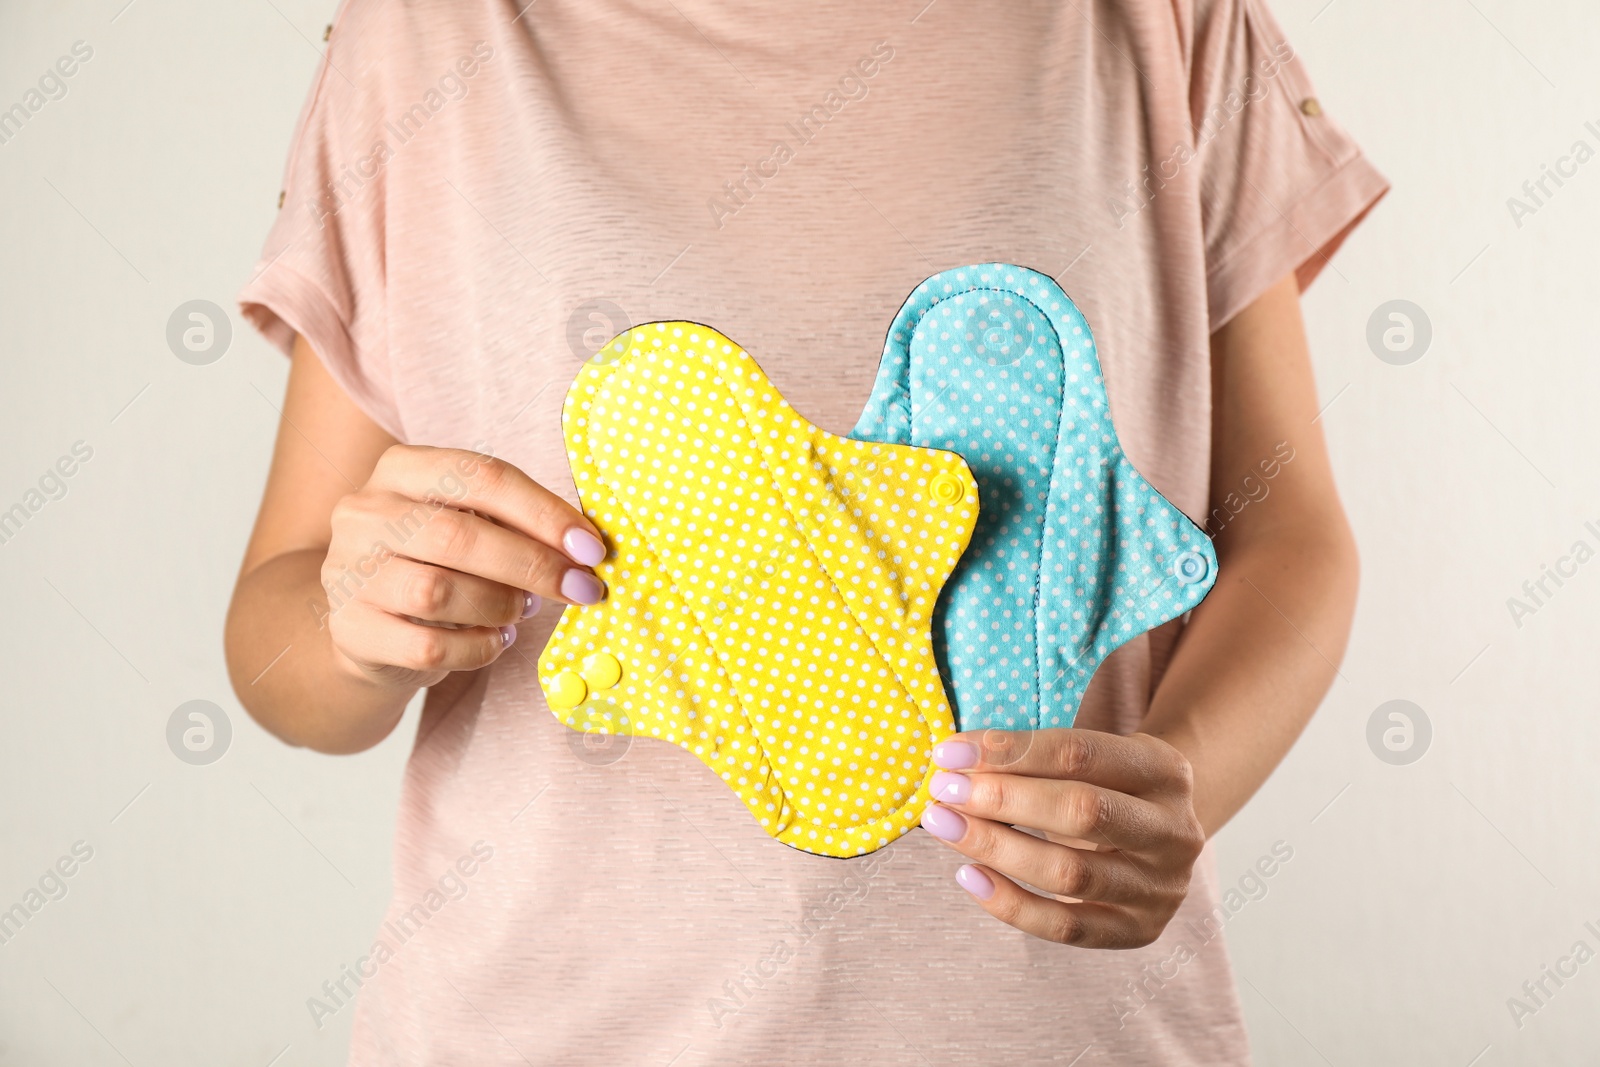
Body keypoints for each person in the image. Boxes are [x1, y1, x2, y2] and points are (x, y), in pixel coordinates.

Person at [226, 0, 1385, 1061]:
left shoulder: (1159, 22)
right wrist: (356, 627)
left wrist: (1166, 787)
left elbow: (1286, 532)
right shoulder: (420, 36)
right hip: (544, 1026)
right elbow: (275, 636)